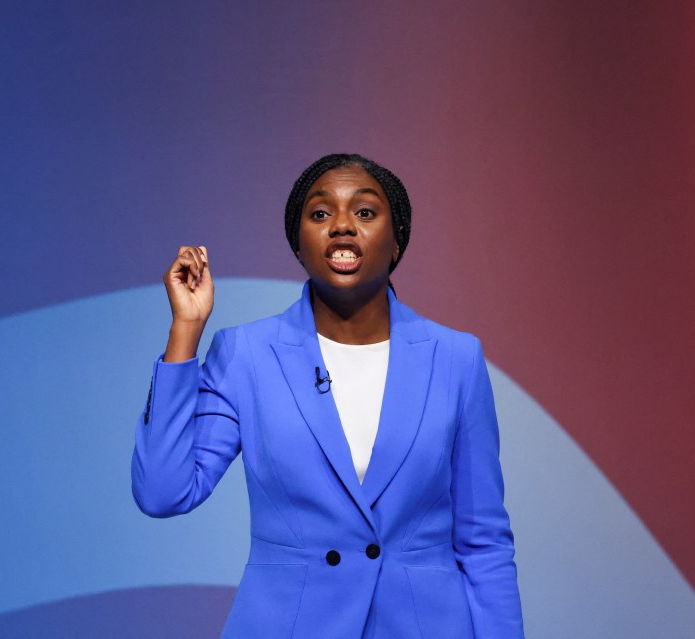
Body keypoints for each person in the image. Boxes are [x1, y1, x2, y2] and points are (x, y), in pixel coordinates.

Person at [131, 153, 524, 638]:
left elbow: (483, 542)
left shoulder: (457, 359)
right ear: (299, 245)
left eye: (364, 212)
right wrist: (186, 331)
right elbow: (163, 493)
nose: (341, 226)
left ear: (397, 239)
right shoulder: (245, 355)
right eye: (320, 214)